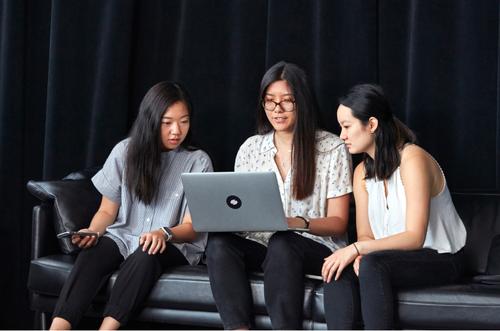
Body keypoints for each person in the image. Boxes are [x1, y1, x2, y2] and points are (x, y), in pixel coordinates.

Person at [49, 81, 213, 330]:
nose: (176, 131)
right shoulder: (124, 152)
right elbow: (107, 212)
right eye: (167, 122)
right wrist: (93, 232)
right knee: (93, 254)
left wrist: (164, 233)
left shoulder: (198, 161)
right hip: (123, 235)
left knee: (149, 251)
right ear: (150, 120)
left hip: (173, 243)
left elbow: (193, 228)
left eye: (184, 121)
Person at [205, 61, 352, 329]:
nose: (277, 109)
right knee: (218, 243)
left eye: (287, 101)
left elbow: (339, 222)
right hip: (262, 244)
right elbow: (239, 209)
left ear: (302, 102)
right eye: (270, 101)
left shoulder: (332, 148)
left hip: (314, 246)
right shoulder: (251, 148)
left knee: (284, 242)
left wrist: (297, 222)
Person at [322, 84, 467, 329]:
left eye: (346, 126)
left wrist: (358, 249)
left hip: (442, 258)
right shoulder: (360, 173)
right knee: (337, 267)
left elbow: (415, 237)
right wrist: (357, 252)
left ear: (372, 124)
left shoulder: (413, 159)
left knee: (369, 263)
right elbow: (366, 233)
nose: (341, 135)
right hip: (391, 260)